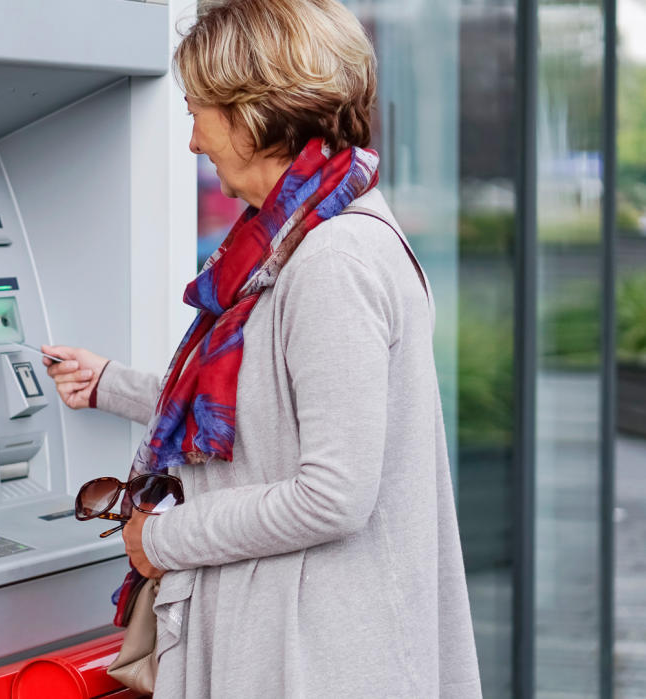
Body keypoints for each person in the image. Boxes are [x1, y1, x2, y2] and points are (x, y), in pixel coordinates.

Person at [42, 1, 481, 696]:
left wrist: (161, 539)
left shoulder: (333, 259)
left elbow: (333, 495)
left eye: (198, 112)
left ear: (253, 112)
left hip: (320, 661)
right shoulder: (302, 241)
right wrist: (110, 383)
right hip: (302, 642)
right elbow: (265, 408)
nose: (192, 141)